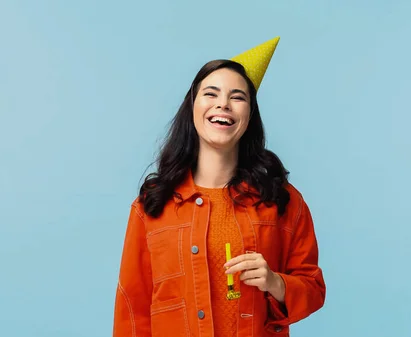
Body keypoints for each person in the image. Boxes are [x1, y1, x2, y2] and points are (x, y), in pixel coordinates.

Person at [113, 36, 326, 337]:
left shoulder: (282, 201)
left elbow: (313, 288)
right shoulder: (152, 205)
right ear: (192, 107)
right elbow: (131, 308)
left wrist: (275, 282)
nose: (223, 103)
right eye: (211, 94)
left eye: (237, 97)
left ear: (249, 116)